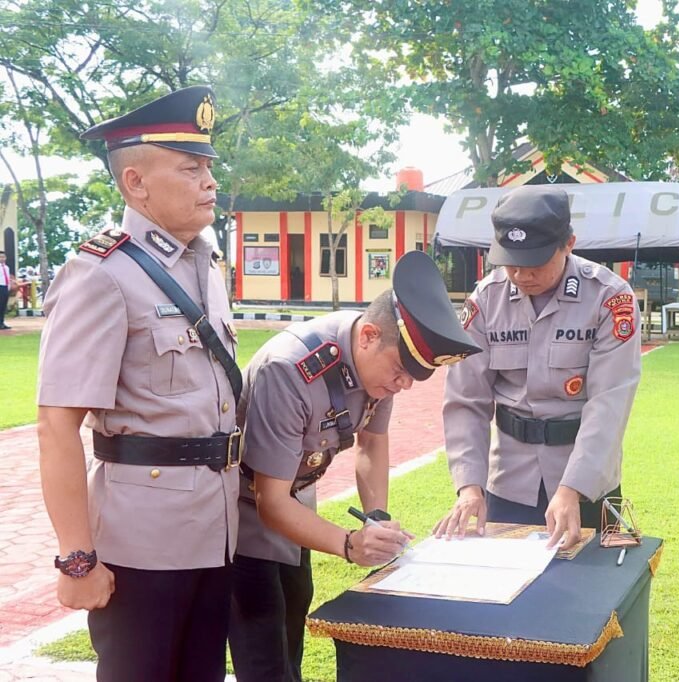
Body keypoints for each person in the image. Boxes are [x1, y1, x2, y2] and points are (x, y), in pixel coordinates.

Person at [37, 85, 241, 682]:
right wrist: (77, 560)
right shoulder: (100, 274)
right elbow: (55, 426)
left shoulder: (207, 265)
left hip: (215, 530)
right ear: (135, 183)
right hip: (142, 542)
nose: (209, 182)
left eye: (208, 167)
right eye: (189, 168)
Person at [229, 250, 480, 681]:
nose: (402, 385)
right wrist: (349, 544)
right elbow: (268, 502)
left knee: (290, 630)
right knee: (264, 651)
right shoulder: (289, 371)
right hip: (241, 513)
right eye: (400, 371)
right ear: (367, 337)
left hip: (294, 504)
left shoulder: (377, 355)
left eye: (412, 379)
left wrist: (375, 517)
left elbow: (372, 440)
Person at [436, 185, 642, 549]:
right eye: (511, 262)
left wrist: (572, 489)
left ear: (569, 244)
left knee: (588, 592)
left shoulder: (610, 299)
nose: (521, 275)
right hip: (511, 480)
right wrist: (469, 487)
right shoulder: (485, 301)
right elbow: (467, 400)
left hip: (588, 481)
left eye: (535, 263)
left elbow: (609, 404)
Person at [0, 250, 11, 329]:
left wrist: (8, 287)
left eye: (3, 257)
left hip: (5, 287)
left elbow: (7, 278)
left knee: (3, 306)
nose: (2, 258)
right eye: (0, 257)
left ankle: (1, 322)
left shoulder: (6, 268)